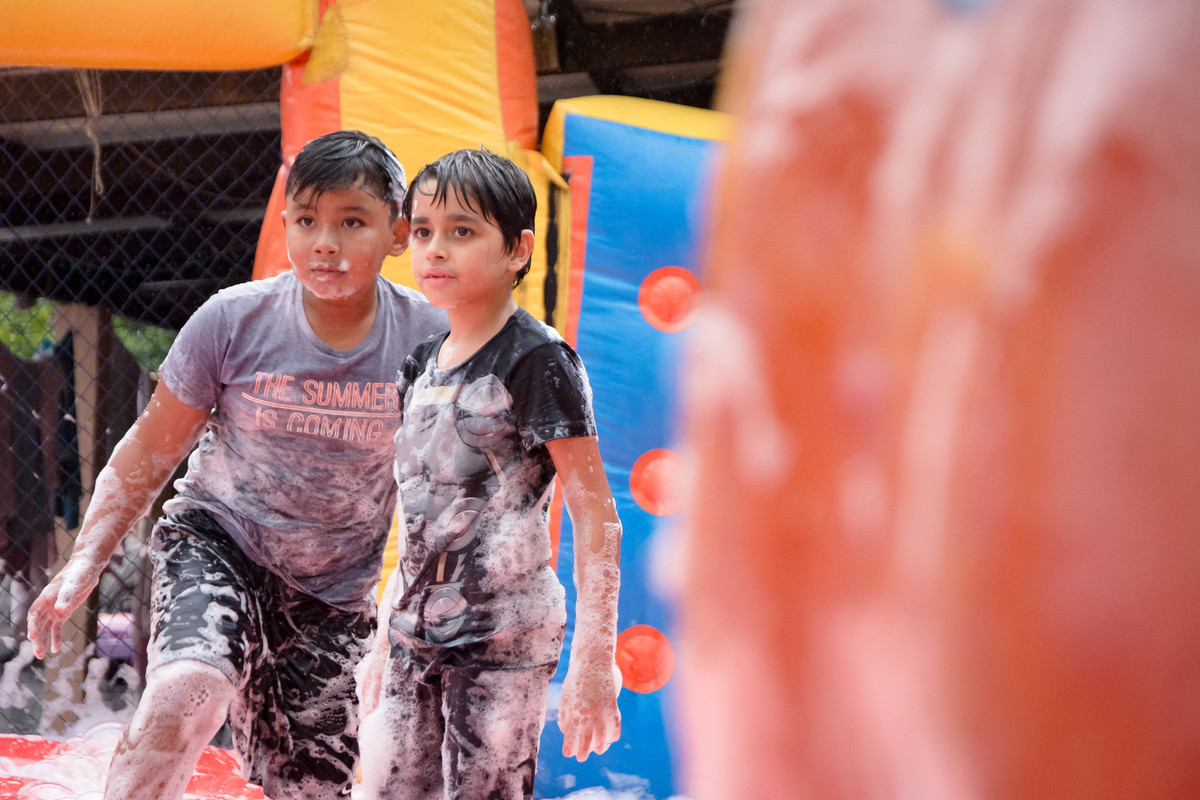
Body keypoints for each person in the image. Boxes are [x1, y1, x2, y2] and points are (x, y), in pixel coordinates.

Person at [26, 129, 447, 800]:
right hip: (220, 545)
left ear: (399, 232)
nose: (326, 243)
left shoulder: (430, 342)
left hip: (333, 592)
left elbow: (455, 493)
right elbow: (149, 449)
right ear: (285, 226)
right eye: (307, 221)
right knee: (187, 690)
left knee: (310, 785)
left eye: (352, 222)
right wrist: (87, 557)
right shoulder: (233, 321)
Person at [355, 148, 623, 800]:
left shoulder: (537, 359)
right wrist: (384, 638)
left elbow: (596, 514)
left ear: (517, 250)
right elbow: (419, 517)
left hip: (502, 635)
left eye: (462, 231)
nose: (435, 250)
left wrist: (594, 659)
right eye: (422, 232)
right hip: (417, 631)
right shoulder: (419, 364)